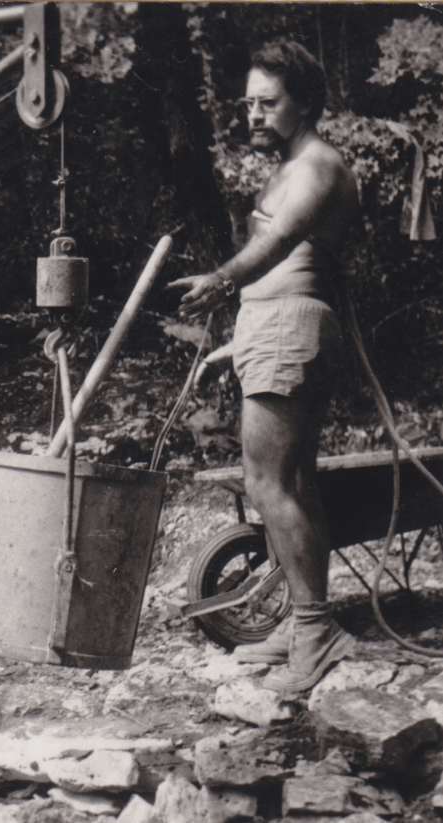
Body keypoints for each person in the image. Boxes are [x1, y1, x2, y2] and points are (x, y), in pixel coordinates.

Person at [171, 40, 359, 692]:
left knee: (265, 481)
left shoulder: (315, 165)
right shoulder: (286, 167)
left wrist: (221, 282)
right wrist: (239, 330)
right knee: (294, 483)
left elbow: (280, 245)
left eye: (267, 103)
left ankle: (313, 627)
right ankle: (299, 624)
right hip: (273, 328)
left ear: (304, 102)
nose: (251, 115)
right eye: (247, 103)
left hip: (288, 328)